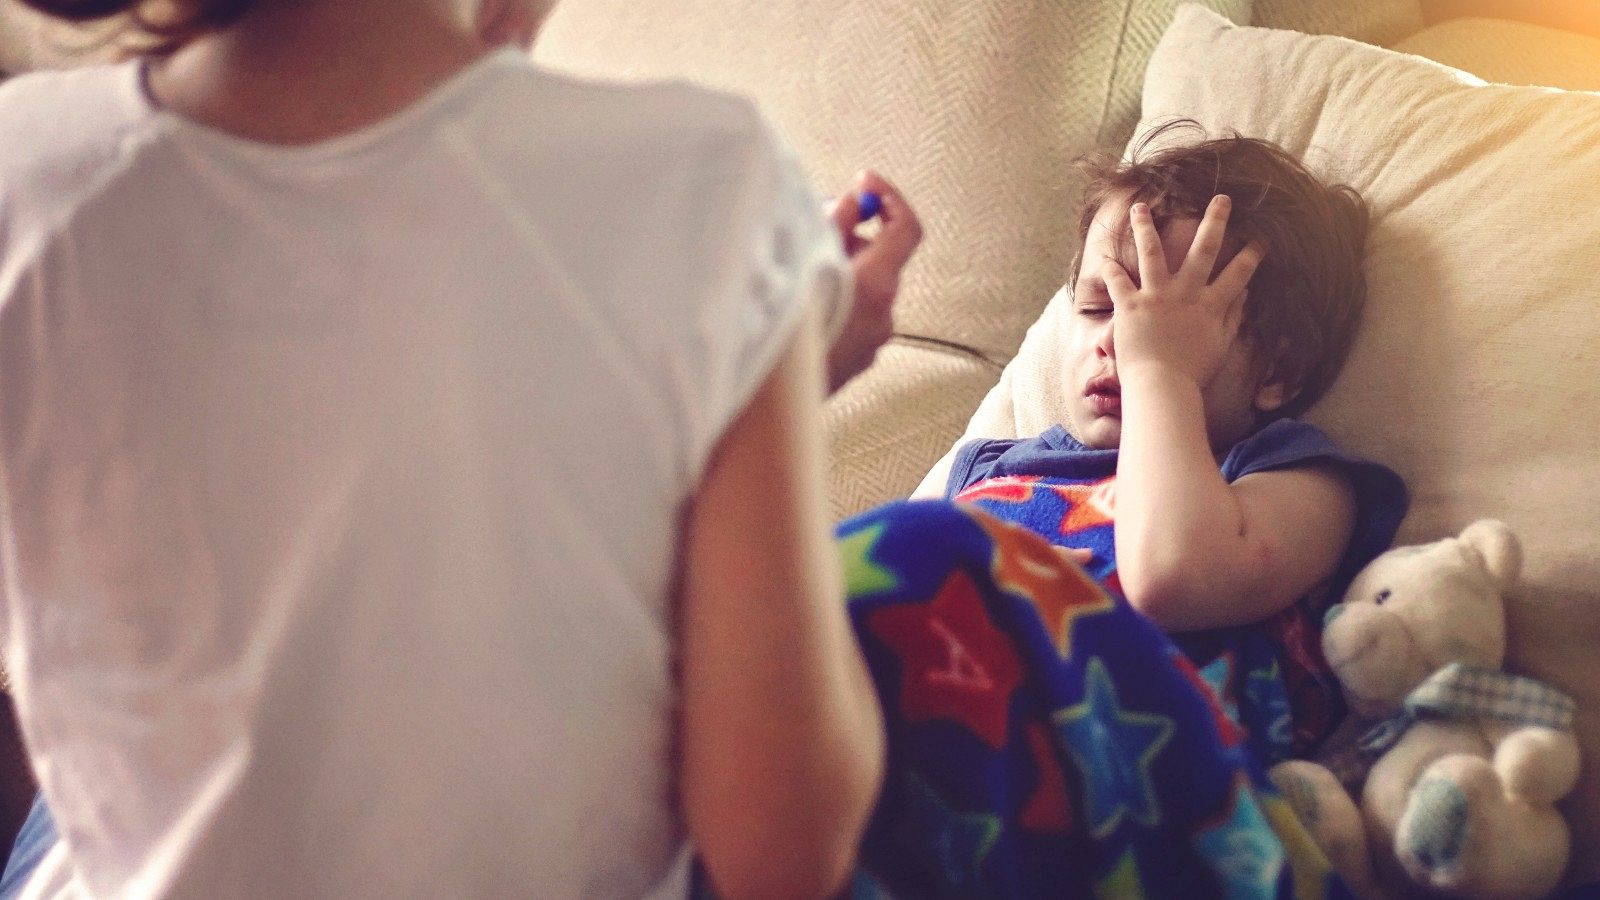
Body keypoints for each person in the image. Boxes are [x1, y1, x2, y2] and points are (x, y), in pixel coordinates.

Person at [0, 0, 921, 896]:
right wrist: (770, 362)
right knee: (950, 561)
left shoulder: (23, 170)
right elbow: (782, 851)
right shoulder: (712, 181)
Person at [915, 127, 1409, 763]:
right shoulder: (991, 468)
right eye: (1099, 307)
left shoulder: (1296, 480)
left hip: (1114, 775)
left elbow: (1174, 576)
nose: (1118, 340)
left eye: (1169, 323)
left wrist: (1161, 372)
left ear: (1277, 372)